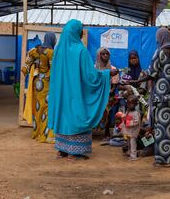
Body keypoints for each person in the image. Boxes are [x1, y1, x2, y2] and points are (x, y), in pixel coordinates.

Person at [48, 19, 118, 160]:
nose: (81, 33)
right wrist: (107, 74)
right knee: (78, 115)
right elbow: (90, 76)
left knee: (64, 117)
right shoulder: (81, 50)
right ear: (76, 32)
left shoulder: (58, 51)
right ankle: (75, 152)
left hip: (61, 95)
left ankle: (62, 150)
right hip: (76, 94)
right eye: (80, 30)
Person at [130, 27, 170, 167]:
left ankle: (163, 160)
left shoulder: (159, 53)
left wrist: (135, 81)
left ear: (160, 38)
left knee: (161, 129)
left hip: (160, 96)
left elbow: (151, 73)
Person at [22, 32, 57, 143]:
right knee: (47, 109)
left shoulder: (34, 51)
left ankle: (37, 132)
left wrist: (32, 71)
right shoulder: (51, 52)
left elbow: (25, 68)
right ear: (52, 40)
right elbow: (53, 71)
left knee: (38, 109)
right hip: (47, 84)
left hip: (37, 84)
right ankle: (46, 135)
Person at [95, 47, 120, 139]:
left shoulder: (113, 69)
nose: (105, 55)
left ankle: (106, 132)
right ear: (99, 55)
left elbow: (114, 86)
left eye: (107, 54)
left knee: (107, 107)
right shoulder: (94, 69)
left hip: (109, 94)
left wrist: (106, 92)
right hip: (97, 95)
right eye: (103, 54)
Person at [122, 95, 141, 161]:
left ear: (135, 104)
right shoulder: (128, 111)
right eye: (128, 103)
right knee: (129, 142)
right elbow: (125, 118)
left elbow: (137, 122)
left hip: (133, 131)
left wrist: (128, 123)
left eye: (131, 104)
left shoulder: (136, 113)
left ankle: (133, 156)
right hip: (128, 131)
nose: (129, 105)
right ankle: (129, 152)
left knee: (133, 143)